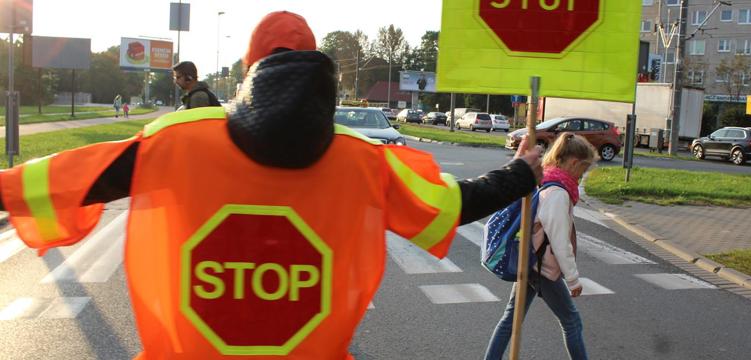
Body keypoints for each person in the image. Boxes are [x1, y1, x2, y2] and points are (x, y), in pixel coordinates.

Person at [0, 11, 542, 359]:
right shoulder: (364, 162)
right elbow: (453, 203)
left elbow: (59, 181)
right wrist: (522, 172)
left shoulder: (172, 142)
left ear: (248, 71)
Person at [484, 132, 598, 360]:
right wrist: (573, 279)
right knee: (571, 322)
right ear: (573, 163)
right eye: (583, 171)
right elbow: (558, 240)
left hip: (532, 262)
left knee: (511, 319)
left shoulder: (545, 180)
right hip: (543, 268)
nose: (581, 177)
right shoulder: (558, 193)